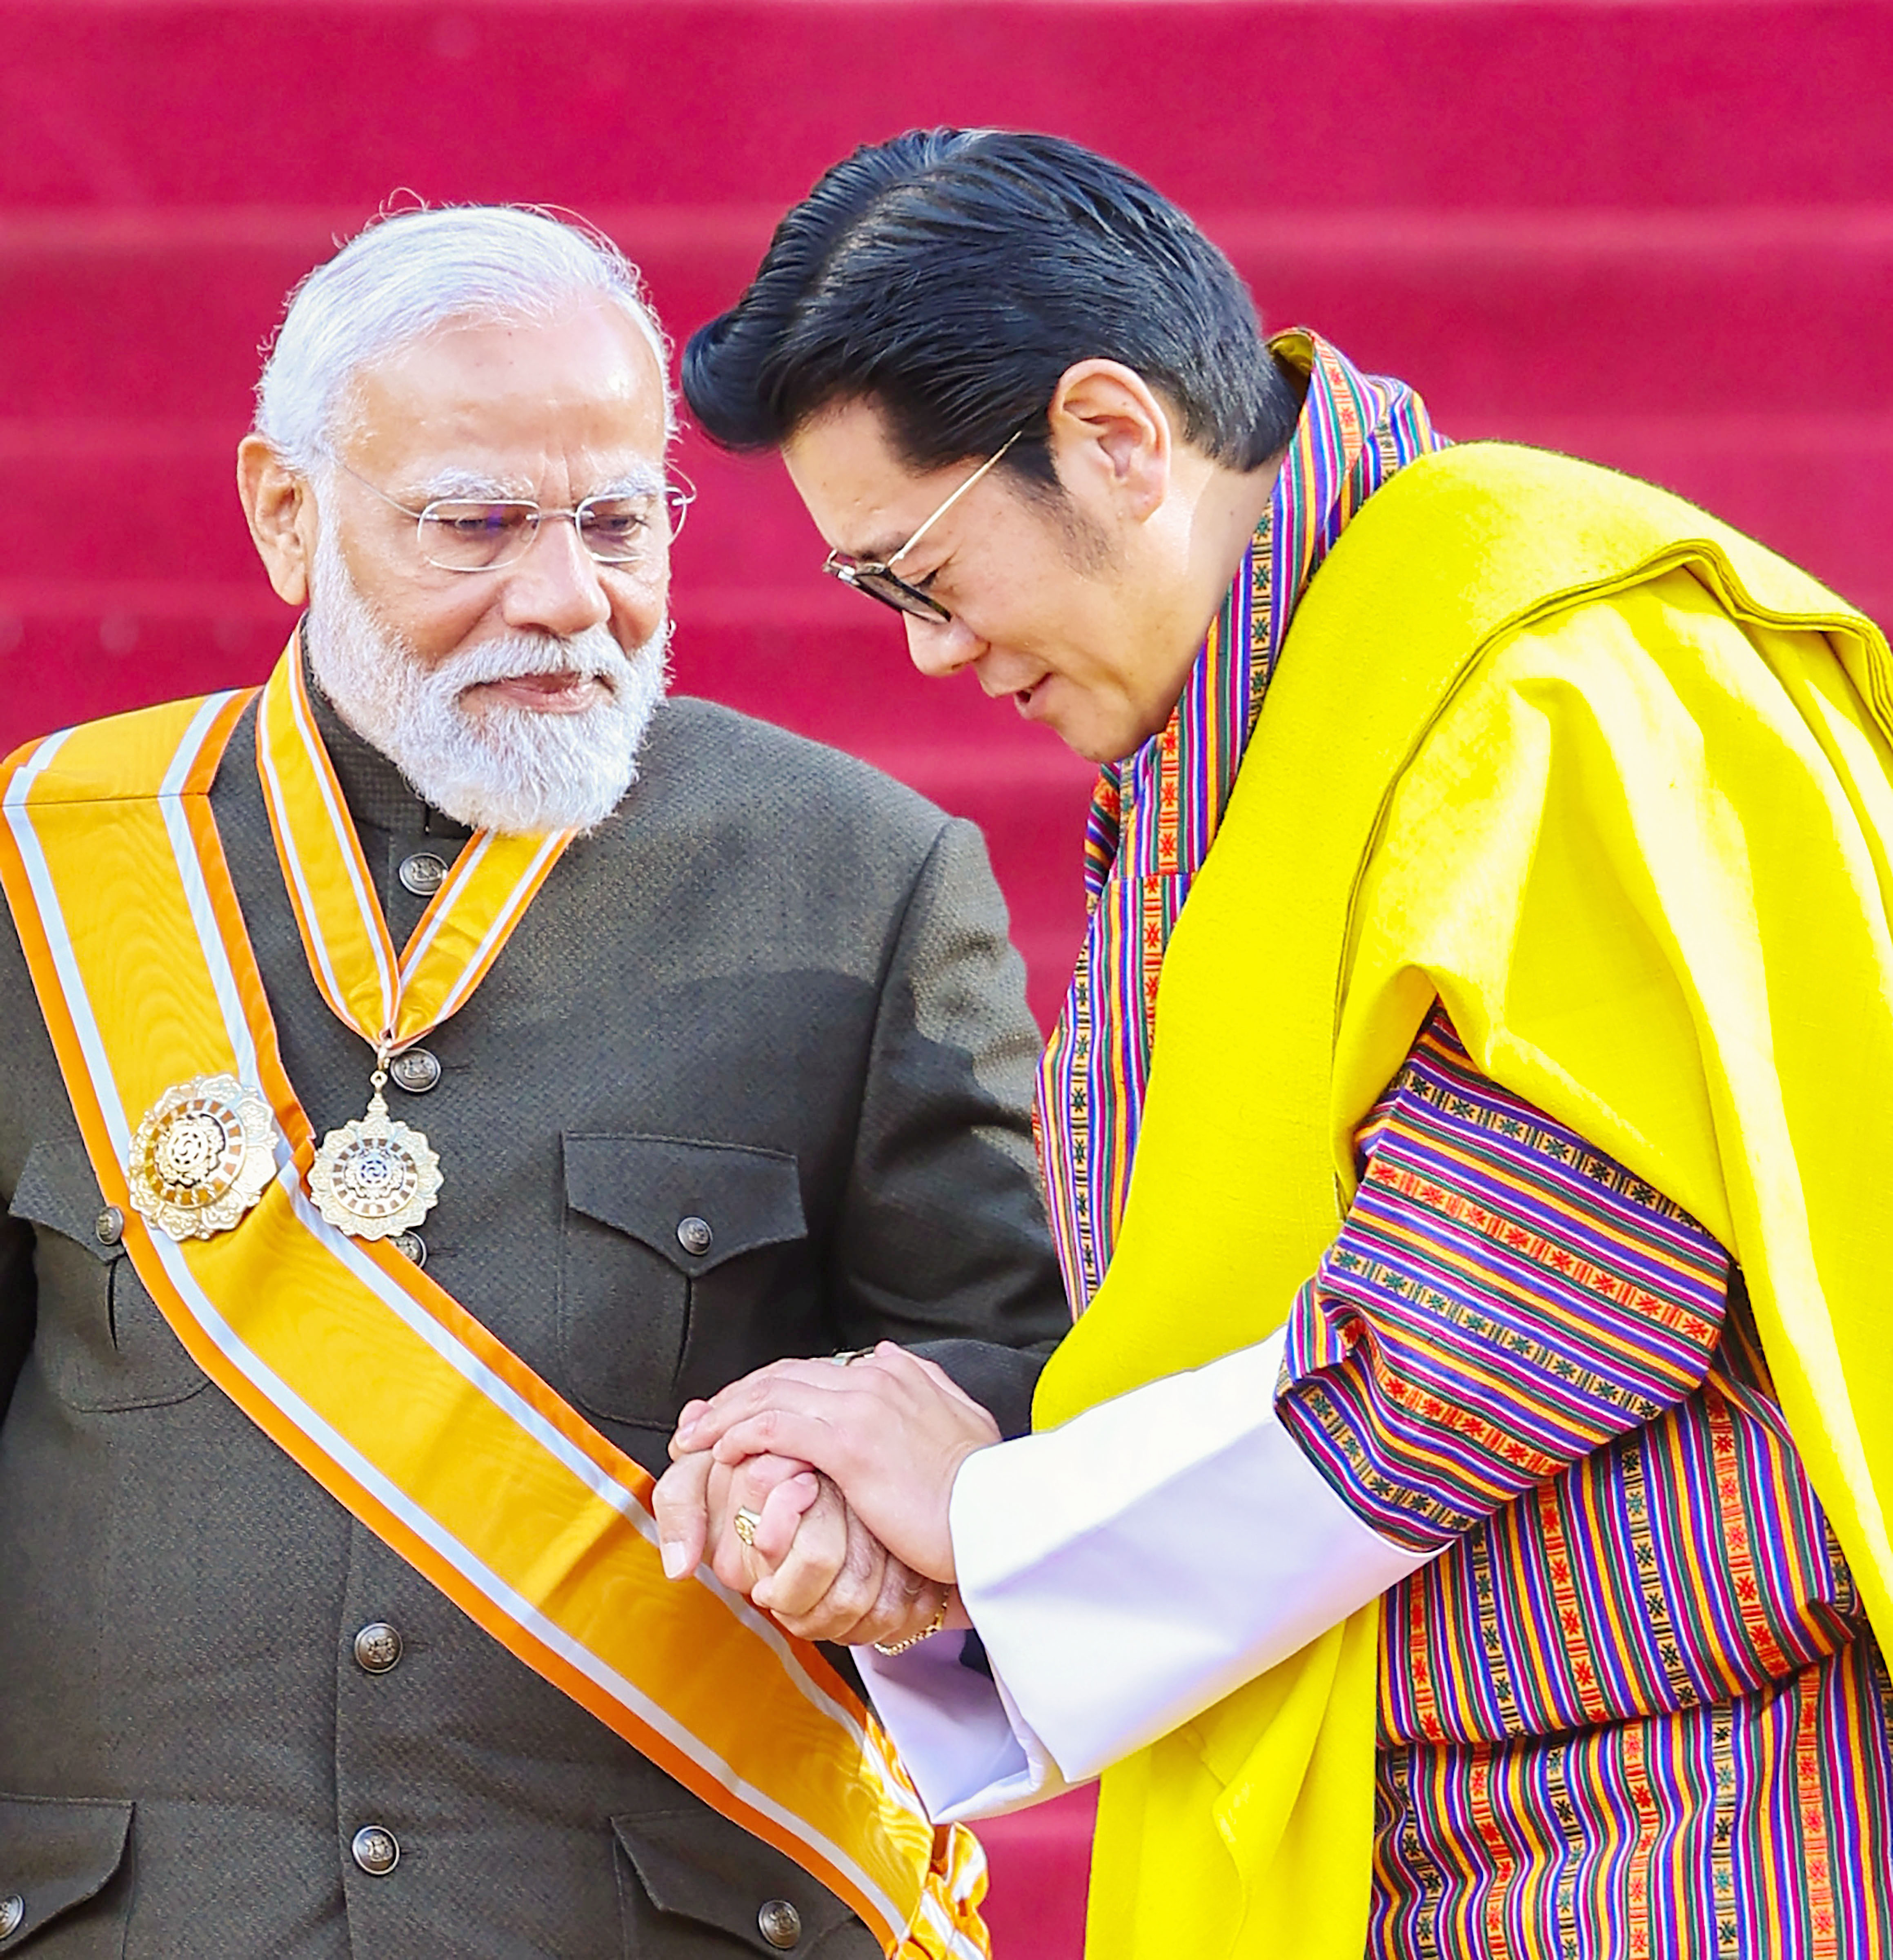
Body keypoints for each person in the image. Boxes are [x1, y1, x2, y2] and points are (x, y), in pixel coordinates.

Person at [654, 130, 1893, 1959]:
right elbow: (1210, 1321)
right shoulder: (1241, 731)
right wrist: (932, 1497)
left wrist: (991, 1517)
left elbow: (1512, 1328)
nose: (925, 657)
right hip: (1409, 1816)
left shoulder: (1541, 684)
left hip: (1675, 1836)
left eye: (916, 573)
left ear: (1112, 437)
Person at [0, 203, 1070, 1957]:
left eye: (616, 518)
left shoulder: (855, 881)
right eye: (475, 523)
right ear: (289, 514)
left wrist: (868, 1510)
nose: (567, 598)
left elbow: (1013, 1378)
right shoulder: (48, 867)